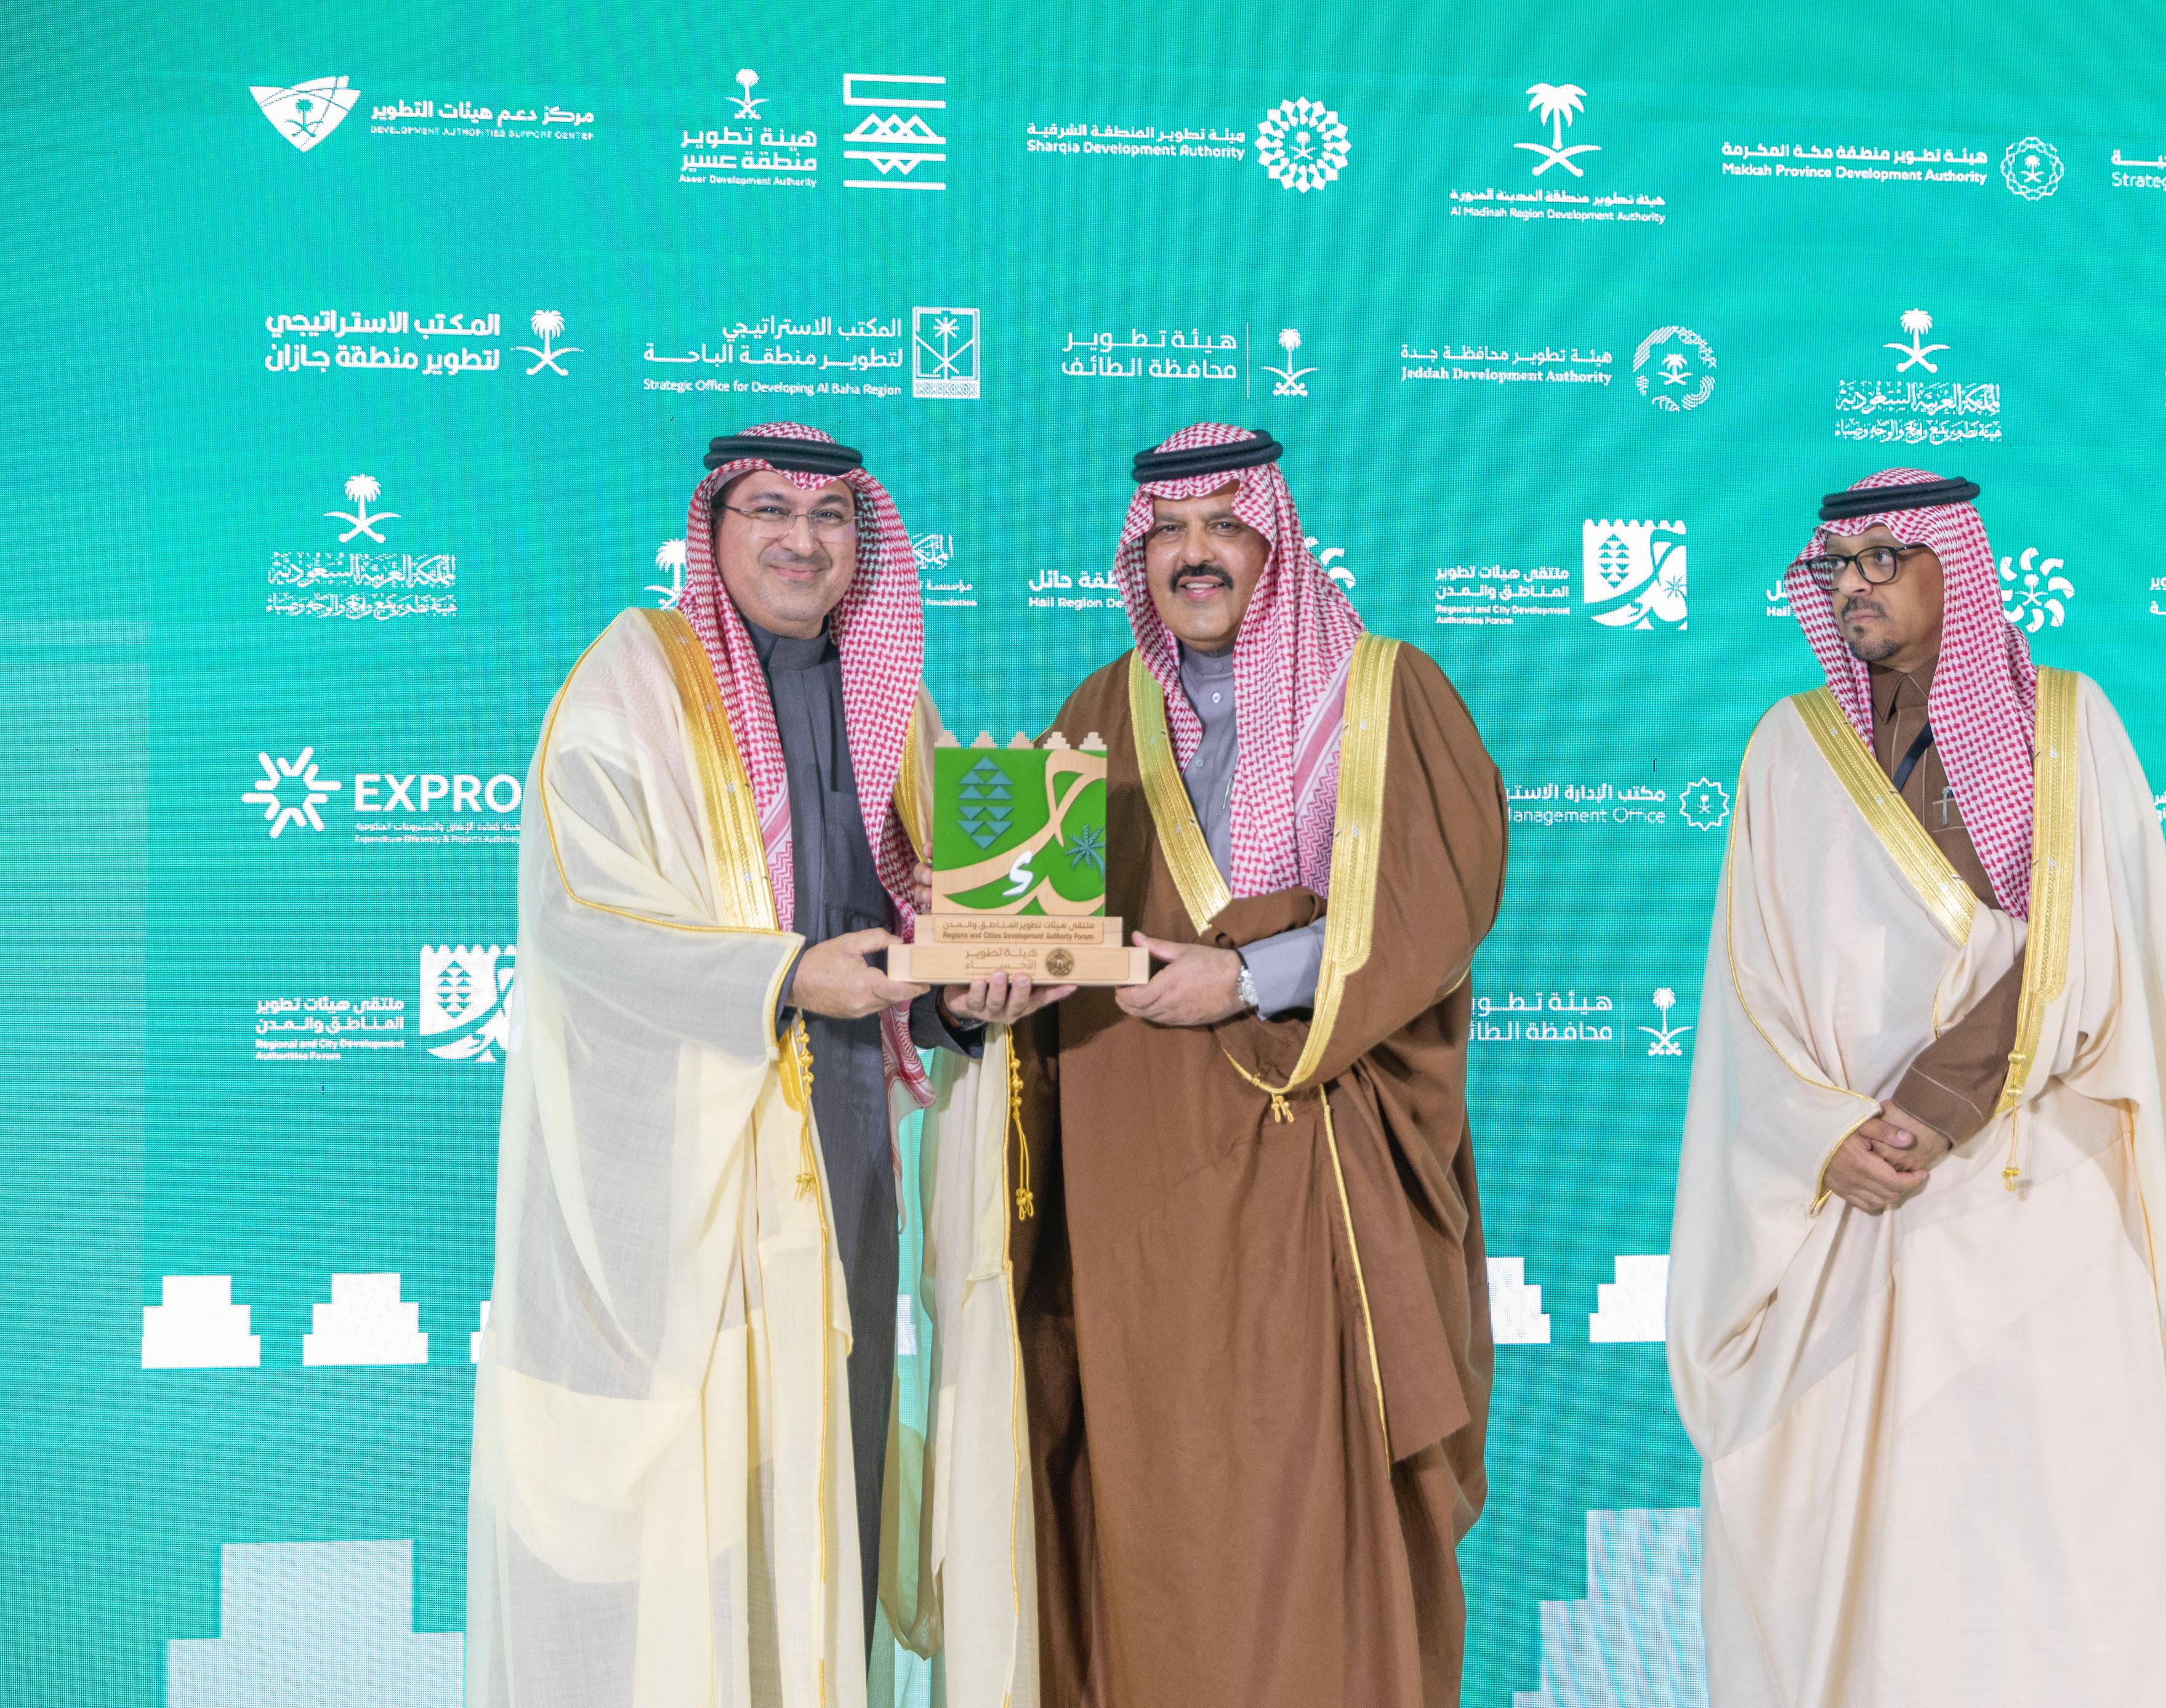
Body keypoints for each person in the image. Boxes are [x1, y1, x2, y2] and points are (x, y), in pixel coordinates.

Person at [467, 423, 1058, 1707]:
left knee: (836, 1471)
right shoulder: (633, 681)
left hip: (847, 1157)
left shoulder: (896, 705)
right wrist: (784, 977)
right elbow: (584, 921)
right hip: (688, 1183)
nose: (803, 539)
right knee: (697, 1521)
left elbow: (914, 945)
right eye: (770, 511)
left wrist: (968, 1001)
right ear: (714, 529)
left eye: (830, 515)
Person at [1665, 469, 2166, 1707]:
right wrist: (1824, 1136)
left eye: (1886, 558)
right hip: (1855, 1212)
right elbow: (1748, 992)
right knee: (1870, 1558)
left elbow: (2088, 951)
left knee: (2055, 1547)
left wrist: (1929, 1111)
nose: (1855, 585)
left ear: (1960, 567)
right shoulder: (1788, 748)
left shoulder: (2066, 727)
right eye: (1838, 564)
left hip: (2041, 1201)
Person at [1008, 422, 1508, 1707]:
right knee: (1158, 1505)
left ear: (1275, 540)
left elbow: (1429, 911)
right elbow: (1030, 939)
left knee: (1311, 1507)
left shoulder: (1387, 695)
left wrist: (1241, 978)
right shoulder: (1093, 717)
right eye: (1167, 532)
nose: (1194, 554)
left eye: (1223, 525)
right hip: (1137, 1202)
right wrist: (983, 983)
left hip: (1316, 1189)